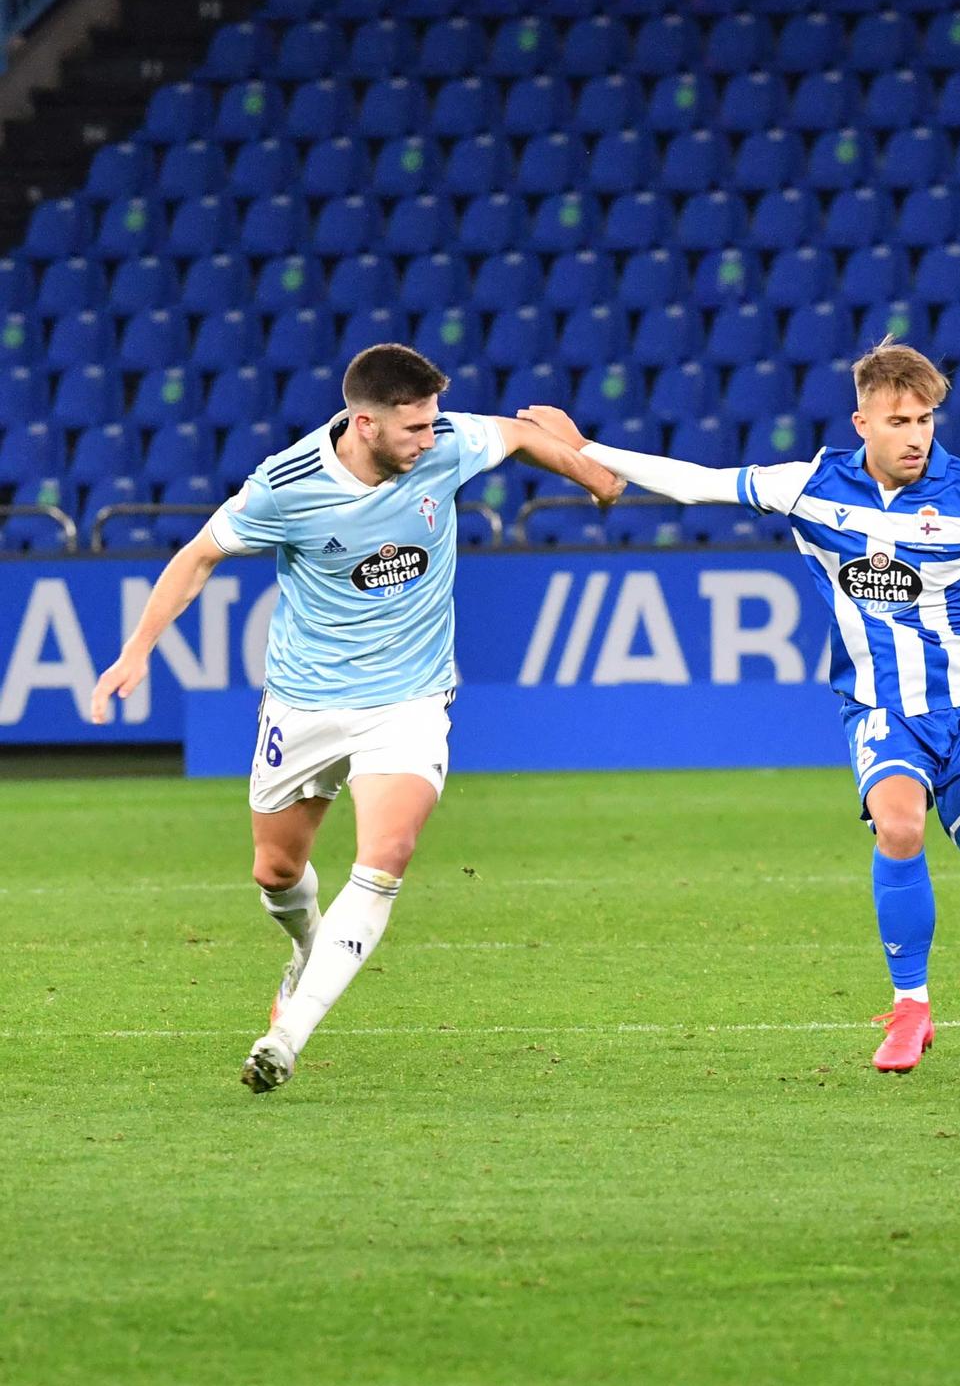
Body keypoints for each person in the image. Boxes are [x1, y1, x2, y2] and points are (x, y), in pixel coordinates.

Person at [519, 337, 960, 1087]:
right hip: (881, 706)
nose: (916, 435)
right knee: (899, 825)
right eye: (898, 421)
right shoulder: (813, 485)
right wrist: (586, 446)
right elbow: (698, 484)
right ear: (863, 424)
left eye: (925, 419)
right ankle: (910, 1005)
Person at [89, 344, 622, 1093]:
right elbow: (198, 556)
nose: (431, 439)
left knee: (387, 855)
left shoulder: (442, 445)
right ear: (365, 424)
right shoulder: (286, 484)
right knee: (275, 870)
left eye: (435, 424)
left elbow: (520, 433)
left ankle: (287, 1035)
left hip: (408, 701)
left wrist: (592, 474)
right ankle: (306, 946)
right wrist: (138, 650)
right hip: (304, 703)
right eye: (414, 429)